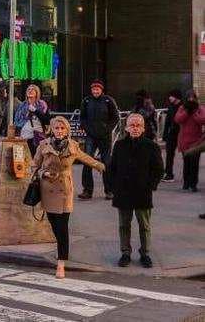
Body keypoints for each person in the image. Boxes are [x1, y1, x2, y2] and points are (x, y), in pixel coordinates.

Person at [32, 116, 106, 279]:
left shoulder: (72, 145)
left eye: (62, 128)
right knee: (54, 225)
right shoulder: (43, 145)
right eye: (57, 128)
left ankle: (61, 263)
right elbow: (34, 165)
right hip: (48, 189)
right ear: (52, 129)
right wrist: (43, 172)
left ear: (67, 130)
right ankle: (62, 251)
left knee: (63, 227)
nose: (59, 131)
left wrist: (100, 165)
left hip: (65, 189)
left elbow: (85, 158)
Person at [109, 113, 164, 268]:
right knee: (123, 225)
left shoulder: (151, 146)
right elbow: (112, 168)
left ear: (143, 128)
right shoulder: (119, 145)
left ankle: (145, 253)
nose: (134, 128)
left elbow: (159, 169)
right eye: (131, 125)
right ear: (126, 127)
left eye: (138, 125)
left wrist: (151, 185)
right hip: (123, 192)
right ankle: (125, 252)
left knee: (144, 225)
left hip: (143, 192)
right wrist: (114, 187)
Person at [78, 79, 119, 200]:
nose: (95, 91)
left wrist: (108, 129)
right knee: (87, 162)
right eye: (93, 89)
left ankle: (109, 190)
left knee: (106, 163)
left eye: (97, 89)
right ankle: (87, 190)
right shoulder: (86, 101)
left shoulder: (108, 100)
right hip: (90, 136)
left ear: (101, 90)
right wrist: (86, 129)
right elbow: (82, 118)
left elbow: (115, 117)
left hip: (105, 136)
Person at [175, 90, 205, 192]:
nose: (191, 99)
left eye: (193, 97)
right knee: (186, 162)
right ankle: (186, 183)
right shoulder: (182, 108)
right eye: (189, 97)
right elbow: (178, 119)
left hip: (196, 141)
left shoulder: (200, 108)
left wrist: (194, 113)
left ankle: (193, 184)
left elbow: (203, 120)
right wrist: (187, 112)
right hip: (184, 141)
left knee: (194, 163)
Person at [13, 84, 50, 157]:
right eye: (28, 89)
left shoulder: (42, 105)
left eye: (32, 89)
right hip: (23, 135)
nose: (30, 91)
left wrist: (35, 110)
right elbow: (16, 120)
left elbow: (46, 120)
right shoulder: (22, 105)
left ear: (37, 92)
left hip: (38, 135)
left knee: (37, 157)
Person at [162, 89, 183, 182]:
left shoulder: (183, 107)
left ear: (177, 97)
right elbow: (167, 122)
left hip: (182, 133)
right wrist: (165, 135)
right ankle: (169, 174)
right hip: (172, 134)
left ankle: (188, 176)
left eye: (171, 96)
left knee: (186, 155)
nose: (170, 97)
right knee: (169, 154)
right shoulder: (171, 107)